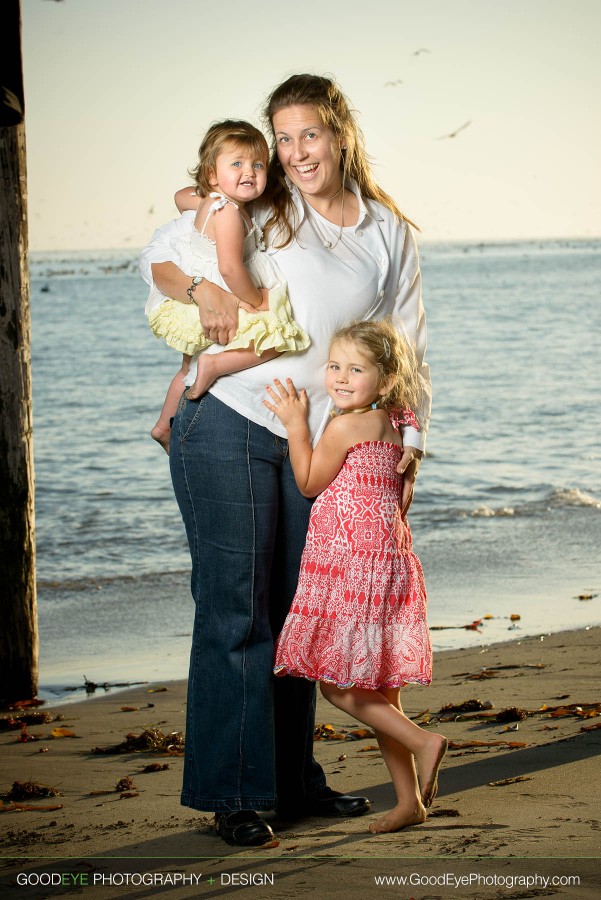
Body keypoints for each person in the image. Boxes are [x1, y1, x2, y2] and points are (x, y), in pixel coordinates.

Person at [138, 73, 431, 848]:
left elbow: (406, 349)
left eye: (310, 134)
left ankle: (291, 782)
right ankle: (234, 794)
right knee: (237, 612)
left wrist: (409, 449)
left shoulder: (387, 232)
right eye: (284, 137)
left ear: (340, 133)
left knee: (305, 615)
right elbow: (164, 254)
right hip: (230, 422)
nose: (297, 152)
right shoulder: (265, 206)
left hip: (325, 445)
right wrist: (201, 284)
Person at [265, 320, 447, 834]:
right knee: (383, 690)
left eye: (356, 369)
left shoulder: (345, 427)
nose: (340, 378)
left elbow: (307, 481)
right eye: (334, 366)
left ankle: (423, 742)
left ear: (385, 380)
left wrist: (296, 422)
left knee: (339, 688)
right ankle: (409, 802)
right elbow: (412, 420)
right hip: (389, 562)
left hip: (354, 568)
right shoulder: (396, 420)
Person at [146, 120, 310, 452]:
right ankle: (216, 365)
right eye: (236, 164)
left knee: (185, 366)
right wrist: (256, 301)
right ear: (211, 174)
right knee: (281, 337)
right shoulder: (231, 214)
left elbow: (180, 198)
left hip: (192, 300)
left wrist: (205, 196)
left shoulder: (209, 201)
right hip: (223, 295)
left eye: (258, 165)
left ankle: (164, 425)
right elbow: (231, 268)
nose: (249, 171)